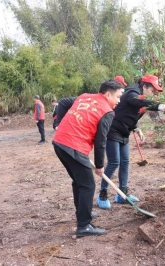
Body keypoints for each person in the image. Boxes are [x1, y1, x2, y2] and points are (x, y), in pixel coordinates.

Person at [96, 74, 165, 209]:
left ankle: (122, 194)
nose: (153, 93)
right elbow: (136, 101)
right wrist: (164, 106)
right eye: (152, 90)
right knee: (114, 162)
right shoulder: (133, 92)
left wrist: (137, 128)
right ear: (144, 86)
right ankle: (103, 193)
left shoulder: (142, 96)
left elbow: (129, 112)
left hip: (124, 131)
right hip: (113, 130)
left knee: (125, 162)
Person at [52, 80, 124, 237]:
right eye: (118, 97)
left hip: (59, 142)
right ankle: (84, 226)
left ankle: (83, 214)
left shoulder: (84, 96)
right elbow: (101, 141)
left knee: (79, 182)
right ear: (108, 94)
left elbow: (63, 103)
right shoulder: (107, 112)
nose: (119, 101)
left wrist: (59, 122)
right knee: (88, 185)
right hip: (73, 145)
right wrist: (99, 165)